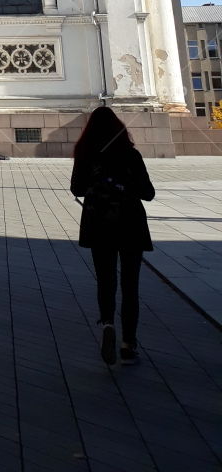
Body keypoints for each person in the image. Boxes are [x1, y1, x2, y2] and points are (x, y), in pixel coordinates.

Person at [71, 106, 155, 366]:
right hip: (130, 223)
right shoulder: (131, 155)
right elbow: (148, 193)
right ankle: (129, 344)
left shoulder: (86, 155)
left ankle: (107, 324)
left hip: (99, 224)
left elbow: (77, 188)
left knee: (105, 280)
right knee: (131, 286)